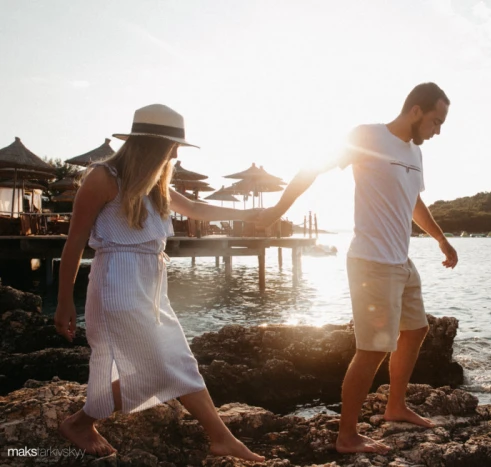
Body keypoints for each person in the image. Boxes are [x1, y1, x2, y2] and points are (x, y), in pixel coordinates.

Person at [54, 104, 265, 463]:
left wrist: (247, 215)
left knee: (179, 361)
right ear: (152, 143)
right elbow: (74, 241)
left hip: (151, 285)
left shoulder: (154, 182)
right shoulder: (103, 178)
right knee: (159, 368)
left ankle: (220, 438)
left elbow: (197, 209)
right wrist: (63, 301)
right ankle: (81, 422)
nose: (177, 152)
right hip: (117, 284)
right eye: (172, 145)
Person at [256, 82, 458, 454]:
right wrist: (278, 211)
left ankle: (395, 406)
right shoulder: (368, 136)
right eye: (435, 121)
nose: (437, 130)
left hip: (401, 259)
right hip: (371, 260)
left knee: (416, 330)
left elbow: (415, 202)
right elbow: (312, 168)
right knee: (373, 349)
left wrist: (441, 239)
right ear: (416, 111)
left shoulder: (415, 152)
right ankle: (347, 435)